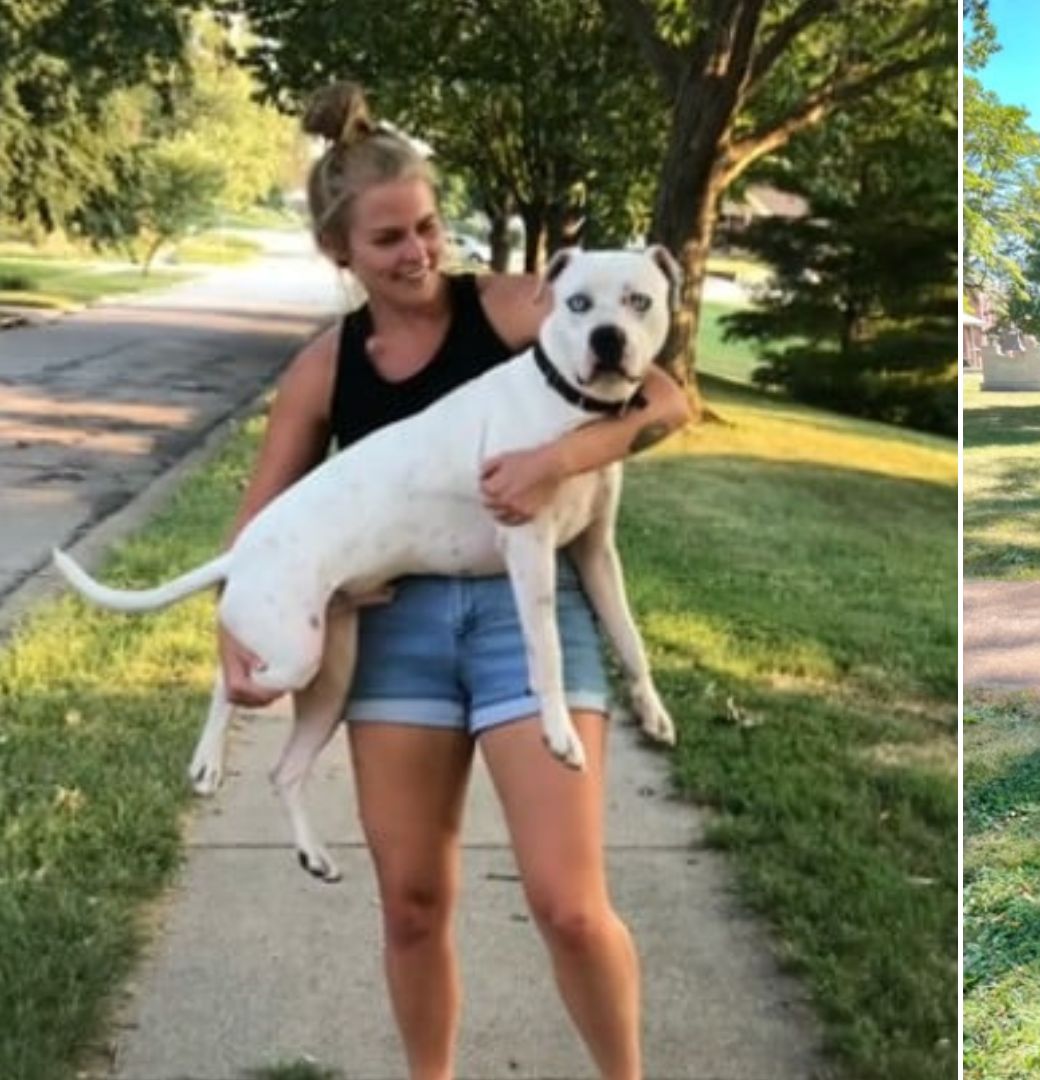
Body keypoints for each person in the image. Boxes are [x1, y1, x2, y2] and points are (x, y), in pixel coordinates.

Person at [217, 83, 689, 1080]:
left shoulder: (515, 300)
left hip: (534, 612)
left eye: (428, 225)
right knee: (414, 905)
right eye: (388, 238)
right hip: (396, 635)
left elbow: (666, 399)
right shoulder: (325, 368)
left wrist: (560, 462)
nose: (419, 251)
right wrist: (233, 637)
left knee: (567, 903)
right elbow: (262, 521)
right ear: (341, 252)